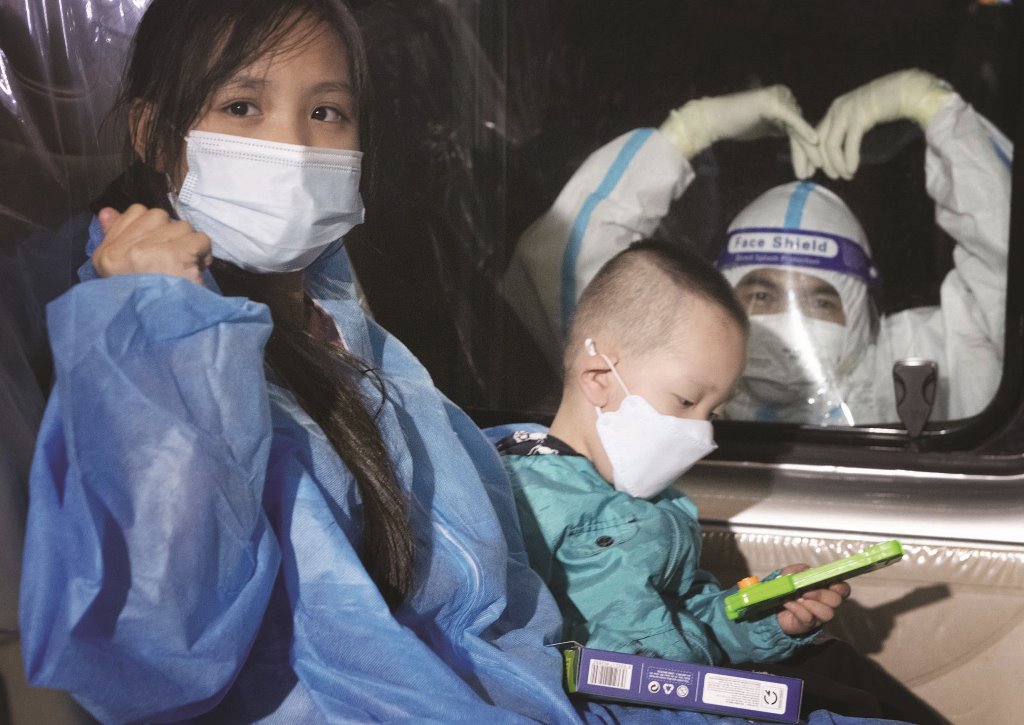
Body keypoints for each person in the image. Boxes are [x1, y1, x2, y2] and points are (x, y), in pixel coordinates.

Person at [16, 2, 918, 723]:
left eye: (326, 111)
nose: (293, 145)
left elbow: (488, 601)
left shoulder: (348, 330)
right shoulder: (146, 342)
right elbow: (152, 658)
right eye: (242, 106)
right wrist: (163, 327)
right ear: (155, 134)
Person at [496, 241, 946, 724]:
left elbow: (685, 623)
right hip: (640, 708)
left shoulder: (654, 501)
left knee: (850, 681)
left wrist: (764, 619)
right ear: (598, 376)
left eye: (713, 412)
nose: (702, 432)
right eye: (687, 401)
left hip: (688, 695)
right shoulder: (533, 498)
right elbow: (614, 663)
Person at [504, 70, 1011, 426]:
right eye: (762, 295)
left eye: (819, 301)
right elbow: (565, 258)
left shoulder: (931, 362)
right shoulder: (667, 366)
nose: (789, 325)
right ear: (723, 299)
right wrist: (688, 132)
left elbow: (1006, 256)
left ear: (860, 309)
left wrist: (932, 106)